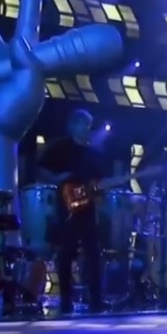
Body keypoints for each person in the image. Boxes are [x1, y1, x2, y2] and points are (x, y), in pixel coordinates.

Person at [37, 109, 108, 314]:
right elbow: (40, 168)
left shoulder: (93, 154)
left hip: (88, 209)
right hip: (66, 207)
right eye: (83, 125)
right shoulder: (60, 148)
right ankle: (66, 301)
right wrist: (56, 178)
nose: (87, 129)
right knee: (66, 253)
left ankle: (96, 301)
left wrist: (98, 194)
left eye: (88, 126)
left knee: (93, 253)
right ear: (74, 126)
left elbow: (98, 182)